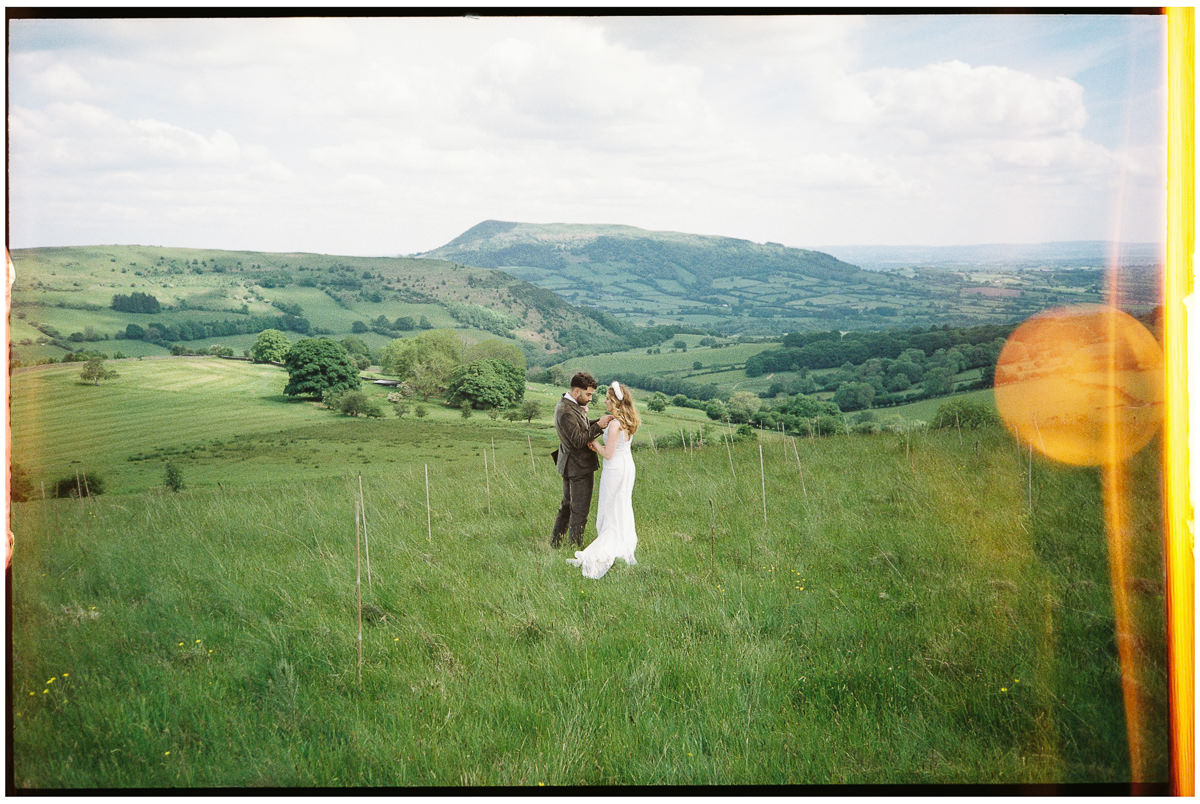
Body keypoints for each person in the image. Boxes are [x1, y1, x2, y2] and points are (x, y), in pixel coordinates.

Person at [567, 380, 640, 579]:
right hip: (627, 466)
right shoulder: (629, 420)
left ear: (615, 402)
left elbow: (608, 453)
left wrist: (594, 443)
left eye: (608, 399)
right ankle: (623, 538)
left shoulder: (616, 423)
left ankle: (611, 540)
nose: (605, 402)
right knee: (621, 504)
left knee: (610, 505)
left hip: (615, 468)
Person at [551, 372, 613, 548]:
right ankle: (574, 547)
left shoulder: (570, 405)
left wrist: (598, 422)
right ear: (577, 391)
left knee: (568, 505)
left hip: (570, 463)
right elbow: (578, 440)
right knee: (579, 510)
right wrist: (599, 426)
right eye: (588, 394)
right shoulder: (565, 411)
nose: (590, 398)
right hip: (577, 466)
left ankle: (556, 543)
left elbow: (580, 427)